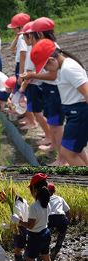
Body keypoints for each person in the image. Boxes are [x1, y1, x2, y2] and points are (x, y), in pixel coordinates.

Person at [30, 38, 88, 166]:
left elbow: (86, 92)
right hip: (74, 113)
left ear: (52, 60)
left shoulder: (68, 68)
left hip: (79, 113)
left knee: (67, 153)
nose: (46, 70)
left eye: (45, 66)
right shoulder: (63, 67)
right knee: (76, 150)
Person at [21, 18, 67, 166]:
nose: (30, 38)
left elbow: (53, 75)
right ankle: (54, 146)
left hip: (55, 89)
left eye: (31, 35)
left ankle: (62, 160)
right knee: (53, 124)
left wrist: (32, 75)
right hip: (49, 88)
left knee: (56, 126)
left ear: (39, 34)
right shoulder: (47, 46)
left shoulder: (51, 49)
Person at [10, 173, 52, 261]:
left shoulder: (34, 207)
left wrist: (17, 220)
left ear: (34, 190)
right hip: (46, 232)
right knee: (45, 256)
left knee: (29, 260)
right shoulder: (47, 203)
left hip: (36, 236)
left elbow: (30, 226)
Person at [0, 187, 29, 261]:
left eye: (4, 201)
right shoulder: (23, 201)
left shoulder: (15, 206)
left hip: (21, 229)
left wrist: (6, 226)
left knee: (17, 249)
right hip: (27, 226)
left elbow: (20, 222)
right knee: (26, 245)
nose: (4, 203)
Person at [48, 183, 70, 259]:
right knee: (62, 232)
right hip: (61, 217)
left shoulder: (43, 199)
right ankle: (58, 244)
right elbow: (67, 210)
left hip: (49, 218)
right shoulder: (60, 198)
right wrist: (66, 220)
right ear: (54, 191)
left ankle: (46, 244)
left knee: (45, 231)